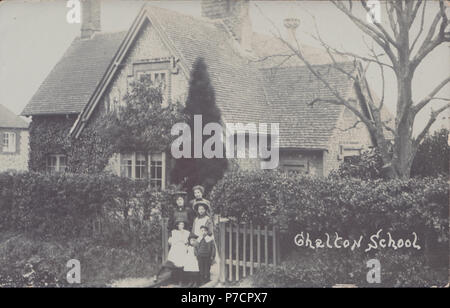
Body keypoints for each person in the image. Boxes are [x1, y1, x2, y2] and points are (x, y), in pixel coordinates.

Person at [153, 220, 189, 285]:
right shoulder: (174, 232)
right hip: (175, 250)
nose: (181, 226)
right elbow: (169, 242)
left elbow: (187, 242)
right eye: (180, 224)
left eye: (182, 224)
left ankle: (180, 282)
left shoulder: (187, 233)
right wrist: (175, 240)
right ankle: (156, 275)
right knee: (167, 263)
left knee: (181, 266)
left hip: (182, 250)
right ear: (177, 225)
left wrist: (185, 244)